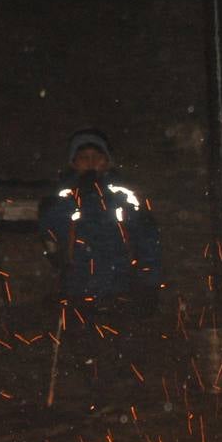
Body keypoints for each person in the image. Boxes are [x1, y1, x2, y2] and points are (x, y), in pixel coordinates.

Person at [40, 129, 163, 405]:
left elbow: (146, 236)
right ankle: (94, 391)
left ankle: (127, 394)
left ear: (107, 162)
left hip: (121, 280)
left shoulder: (124, 195)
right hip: (79, 283)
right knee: (84, 342)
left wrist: (150, 280)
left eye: (97, 157)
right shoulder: (64, 196)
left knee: (124, 340)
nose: (91, 162)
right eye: (84, 158)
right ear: (73, 163)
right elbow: (50, 229)